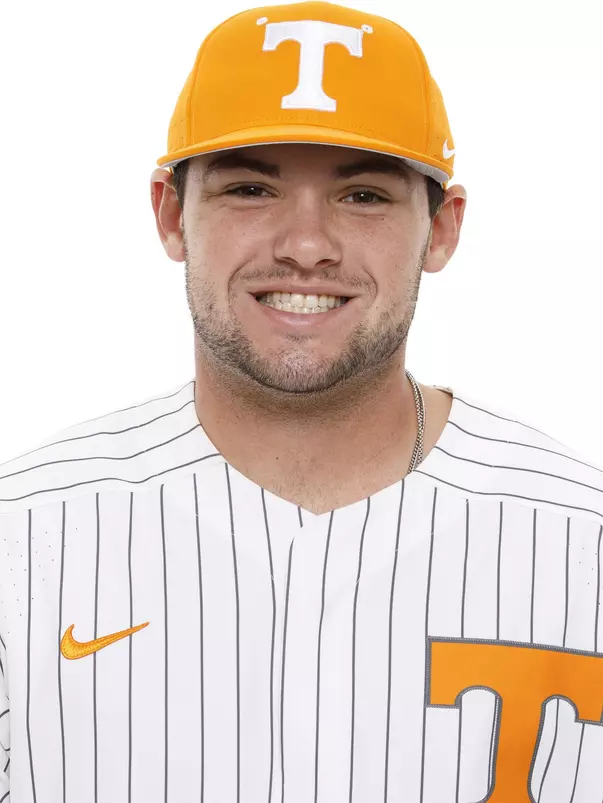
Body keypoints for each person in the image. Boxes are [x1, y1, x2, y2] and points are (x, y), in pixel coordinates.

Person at [1, 1, 602, 801]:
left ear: (442, 229)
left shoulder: (580, 541)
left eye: (363, 196)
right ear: (172, 215)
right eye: (251, 187)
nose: (306, 244)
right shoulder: (25, 535)